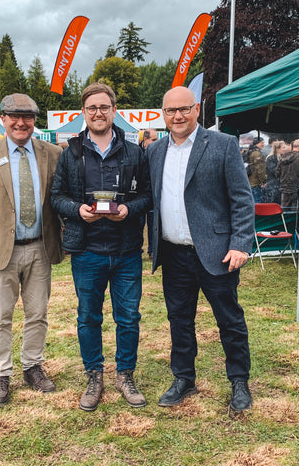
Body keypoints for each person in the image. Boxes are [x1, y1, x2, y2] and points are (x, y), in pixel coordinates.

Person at [147, 86, 255, 412]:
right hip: (173, 253)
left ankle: (239, 381)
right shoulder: (154, 151)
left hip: (217, 252)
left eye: (184, 109)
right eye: (170, 111)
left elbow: (241, 199)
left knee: (229, 320)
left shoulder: (222, 145)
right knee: (179, 319)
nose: (177, 116)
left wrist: (240, 244)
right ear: (163, 114)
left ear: (196, 109)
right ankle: (183, 378)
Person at [51, 82, 151, 412]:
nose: (98, 113)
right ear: (84, 112)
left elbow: (147, 196)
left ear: (113, 111)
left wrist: (129, 210)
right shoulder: (71, 153)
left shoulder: (135, 152)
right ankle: (94, 376)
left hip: (125, 252)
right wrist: (77, 211)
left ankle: (125, 375)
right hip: (87, 251)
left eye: (104, 107)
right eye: (92, 108)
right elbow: (57, 198)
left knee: (129, 318)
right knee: (88, 317)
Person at [0, 93, 64, 406]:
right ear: (3, 119)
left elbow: (60, 200)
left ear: (35, 120)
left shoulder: (53, 153)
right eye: (14, 117)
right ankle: (0, 374)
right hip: (0, 249)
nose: (22, 123)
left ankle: (32, 367)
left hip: (40, 247)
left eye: (28, 117)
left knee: (38, 313)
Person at [141, 129, 158, 259]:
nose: (156, 142)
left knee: (153, 224)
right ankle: (137, 248)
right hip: (140, 195)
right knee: (139, 224)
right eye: (153, 139)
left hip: (153, 195)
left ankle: (152, 251)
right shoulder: (137, 153)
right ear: (145, 140)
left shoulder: (158, 154)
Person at [276, 138, 299, 209]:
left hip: (284, 187)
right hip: (296, 187)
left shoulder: (284, 156)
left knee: (284, 209)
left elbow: (277, 173)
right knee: (295, 213)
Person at [246, 137, 267, 203]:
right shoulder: (257, 153)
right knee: (257, 202)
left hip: (249, 181)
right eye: (262, 143)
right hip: (255, 182)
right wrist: (263, 181)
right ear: (257, 143)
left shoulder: (249, 151)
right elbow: (260, 169)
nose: (263, 144)